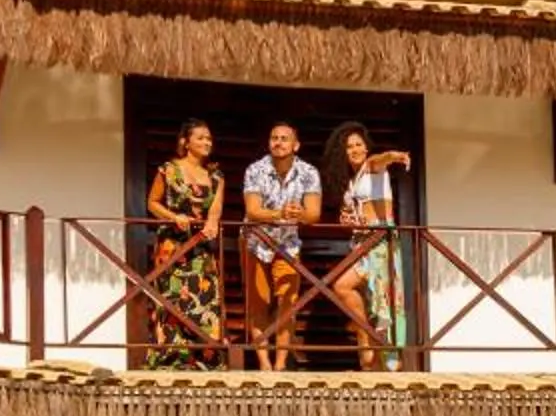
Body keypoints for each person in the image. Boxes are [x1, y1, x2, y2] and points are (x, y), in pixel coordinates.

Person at [325, 122, 413, 369]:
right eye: (349, 146)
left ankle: (372, 345)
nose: (354, 150)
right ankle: (368, 352)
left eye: (358, 145)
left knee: (353, 290)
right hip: (360, 245)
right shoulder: (353, 180)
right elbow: (354, 215)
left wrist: (395, 156)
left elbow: (381, 159)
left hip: (379, 245)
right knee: (368, 300)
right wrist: (348, 220)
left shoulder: (373, 167)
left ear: (366, 148)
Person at [141, 121, 226, 370]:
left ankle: (204, 359)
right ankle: (171, 359)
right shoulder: (169, 169)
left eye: (209, 138)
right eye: (200, 138)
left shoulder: (216, 175)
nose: (206, 142)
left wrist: (212, 221)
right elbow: (152, 203)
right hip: (172, 246)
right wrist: (172, 216)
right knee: (173, 300)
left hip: (201, 248)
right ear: (185, 142)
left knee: (205, 299)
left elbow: (216, 208)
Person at [241, 121, 321, 370]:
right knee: (259, 303)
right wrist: (281, 214)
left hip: (287, 245)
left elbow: (314, 214)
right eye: (274, 138)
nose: (278, 142)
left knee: (287, 303)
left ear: (296, 145)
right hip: (256, 242)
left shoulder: (309, 172)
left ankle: (280, 364)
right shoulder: (255, 169)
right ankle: (264, 364)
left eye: (284, 138)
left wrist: (300, 214)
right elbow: (252, 210)